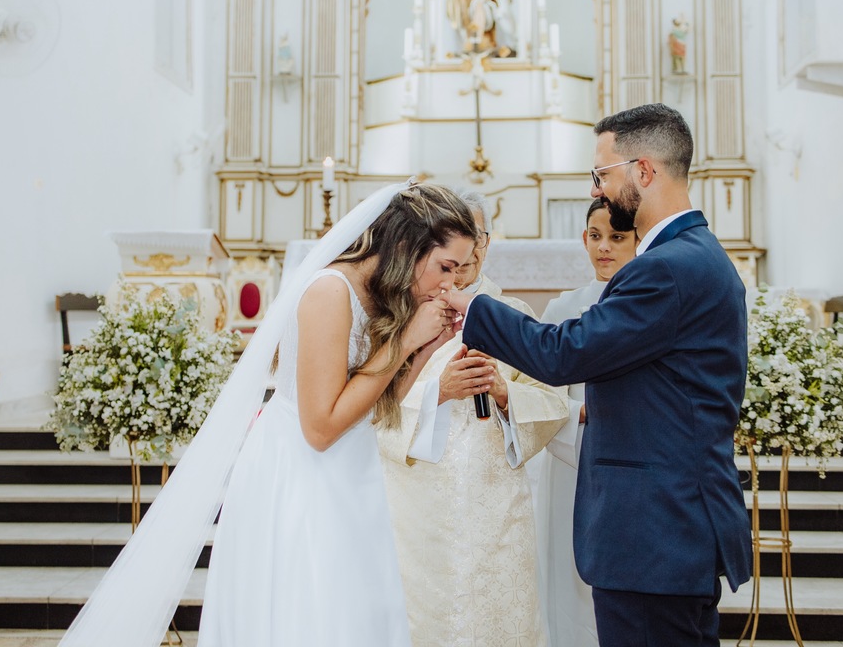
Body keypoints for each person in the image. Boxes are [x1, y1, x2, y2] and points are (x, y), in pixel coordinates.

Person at [58, 182, 479, 647]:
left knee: (355, 611)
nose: (451, 284)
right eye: (446, 267)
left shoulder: (381, 296)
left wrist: (421, 350)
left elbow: (373, 408)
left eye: (458, 272)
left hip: (351, 471)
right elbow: (320, 427)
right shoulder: (330, 290)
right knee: (311, 612)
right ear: (405, 246)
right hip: (300, 473)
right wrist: (403, 343)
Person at [444, 103, 753, 647]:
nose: (595, 191)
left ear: (644, 170)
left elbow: (566, 353)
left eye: (600, 175)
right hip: (667, 530)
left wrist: (472, 307)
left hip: (656, 533)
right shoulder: (695, 256)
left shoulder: (667, 268)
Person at [378, 191, 568, 647]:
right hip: (416, 505)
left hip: (496, 507)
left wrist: (507, 396)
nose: (467, 257)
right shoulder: (398, 317)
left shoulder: (515, 317)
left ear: (485, 244)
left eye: (477, 239)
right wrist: (437, 392)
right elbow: (367, 406)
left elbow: (554, 402)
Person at [535, 199, 638, 647]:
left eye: (617, 238)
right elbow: (535, 388)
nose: (604, 249)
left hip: (627, 468)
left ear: (639, 240)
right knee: (567, 586)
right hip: (570, 462)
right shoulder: (563, 307)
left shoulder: (646, 303)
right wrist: (574, 411)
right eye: (595, 237)